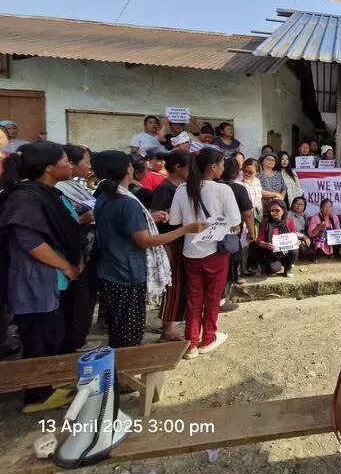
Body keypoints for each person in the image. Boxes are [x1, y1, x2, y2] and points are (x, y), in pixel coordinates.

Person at [92, 150, 206, 349]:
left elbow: (122, 226)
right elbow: (145, 240)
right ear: (125, 170)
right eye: (129, 164)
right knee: (128, 331)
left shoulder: (105, 196)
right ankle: (126, 369)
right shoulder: (126, 202)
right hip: (126, 272)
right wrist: (185, 229)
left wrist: (149, 219)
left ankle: (123, 363)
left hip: (112, 268)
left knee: (119, 328)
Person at [0, 142, 81, 411]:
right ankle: (36, 396)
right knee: (37, 337)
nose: (70, 164)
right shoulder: (25, 197)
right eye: (65, 160)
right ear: (48, 167)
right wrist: (66, 266)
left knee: (52, 333)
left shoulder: (48, 193)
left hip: (51, 278)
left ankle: (48, 384)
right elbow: (30, 242)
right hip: (33, 280)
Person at [168, 147, 241, 359]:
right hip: (216, 253)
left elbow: (174, 221)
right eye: (222, 164)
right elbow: (235, 221)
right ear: (213, 167)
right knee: (212, 298)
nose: (224, 167)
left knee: (194, 299)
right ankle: (208, 338)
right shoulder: (223, 190)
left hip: (190, 252)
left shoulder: (182, 189)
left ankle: (190, 344)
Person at [54, 144, 98, 353]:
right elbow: (61, 225)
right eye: (86, 162)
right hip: (73, 256)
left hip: (87, 253)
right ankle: (72, 344)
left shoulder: (75, 185)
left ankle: (78, 339)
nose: (89, 167)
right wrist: (82, 219)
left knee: (87, 299)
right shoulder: (60, 189)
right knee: (77, 302)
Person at [150, 149, 191, 340]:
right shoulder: (164, 189)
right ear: (177, 167)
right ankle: (168, 328)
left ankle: (171, 323)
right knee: (173, 286)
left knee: (179, 285)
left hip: (179, 240)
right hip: (170, 242)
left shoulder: (181, 186)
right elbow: (156, 217)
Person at [218, 158, 256, 289]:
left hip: (213, 227)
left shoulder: (210, 185)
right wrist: (251, 232)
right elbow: (248, 214)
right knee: (233, 252)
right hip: (234, 229)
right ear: (236, 172)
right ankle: (232, 279)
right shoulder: (239, 189)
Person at [256, 200, 299, 276]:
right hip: (271, 253)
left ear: (283, 210)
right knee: (273, 269)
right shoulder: (265, 223)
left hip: (286, 252)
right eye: (272, 210)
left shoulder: (288, 221)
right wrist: (265, 244)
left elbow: (294, 234)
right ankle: (271, 265)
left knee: (295, 251)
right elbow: (259, 240)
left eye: (277, 210)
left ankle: (288, 269)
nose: (274, 213)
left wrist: (296, 241)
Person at [240, 159, 263, 226]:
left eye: (250, 172)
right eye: (245, 171)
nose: (246, 174)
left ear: (256, 172)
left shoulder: (257, 181)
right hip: (244, 218)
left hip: (257, 215)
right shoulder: (238, 182)